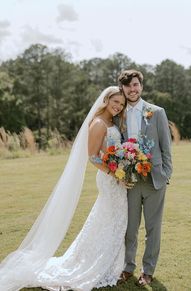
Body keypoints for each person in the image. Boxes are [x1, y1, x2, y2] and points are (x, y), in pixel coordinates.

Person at [0, 86, 128, 291]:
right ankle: (95, 264)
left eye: (121, 104)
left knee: (112, 220)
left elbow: (111, 151)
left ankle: (111, 263)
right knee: (109, 219)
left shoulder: (113, 122)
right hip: (109, 178)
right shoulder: (97, 123)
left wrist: (124, 167)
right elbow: (93, 156)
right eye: (115, 102)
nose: (118, 106)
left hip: (116, 177)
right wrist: (116, 173)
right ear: (106, 99)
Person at [117, 69, 172, 286]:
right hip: (129, 181)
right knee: (129, 228)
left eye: (136, 84)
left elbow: (166, 147)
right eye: (129, 85)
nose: (133, 89)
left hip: (154, 180)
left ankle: (147, 270)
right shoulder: (117, 113)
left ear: (141, 86)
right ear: (122, 88)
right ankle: (127, 267)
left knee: (152, 228)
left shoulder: (156, 112)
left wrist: (166, 174)